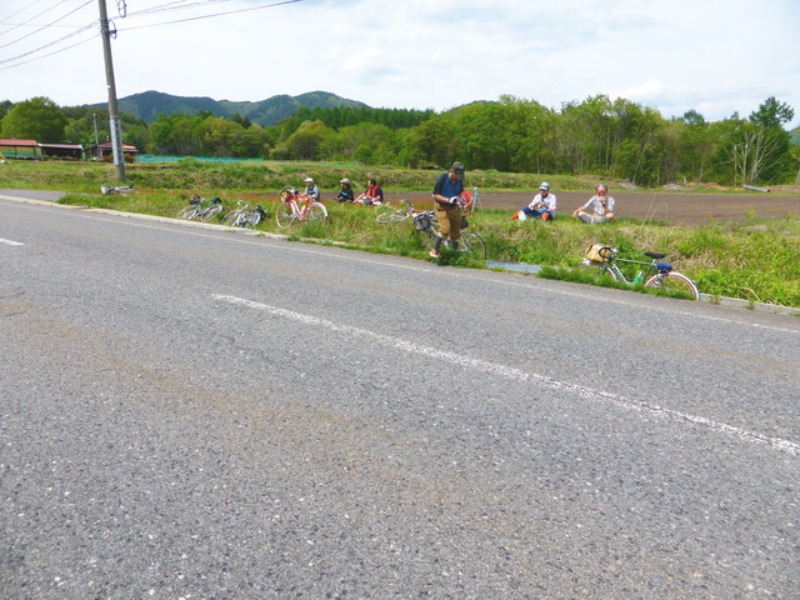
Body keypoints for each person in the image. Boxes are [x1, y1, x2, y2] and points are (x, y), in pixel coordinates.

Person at [429, 161, 465, 258]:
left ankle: (452, 254)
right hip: (441, 207)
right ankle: (434, 251)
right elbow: (435, 195)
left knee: (456, 233)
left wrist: (461, 199)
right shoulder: (443, 178)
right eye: (456, 175)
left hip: (454, 207)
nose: (457, 178)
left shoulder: (460, 180)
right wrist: (448, 200)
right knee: (445, 229)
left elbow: (461, 191)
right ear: (452, 171)